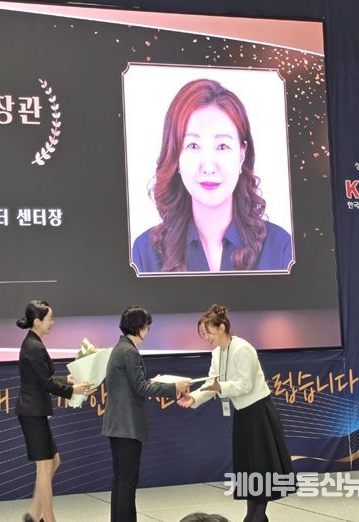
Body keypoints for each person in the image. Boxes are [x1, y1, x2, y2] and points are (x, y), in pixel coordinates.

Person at [131, 78, 292, 273]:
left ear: (242, 154)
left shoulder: (281, 248)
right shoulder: (145, 253)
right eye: (193, 145)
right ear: (175, 155)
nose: (208, 167)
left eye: (222, 146)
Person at [178, 305, 294, 522]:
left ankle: (254, 517)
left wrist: (220, 387)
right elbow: (212, 383)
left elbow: (245, 385)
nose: (207, 338)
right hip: (243, 415)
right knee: (250, 471)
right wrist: (193, 398)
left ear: (221, 328)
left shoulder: (243, 348)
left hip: (259, 413)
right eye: (204, 334)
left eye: (209, 332)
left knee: (262, 469)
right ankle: (255, 516)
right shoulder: (217, 353)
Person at [102, 306, 190, 522]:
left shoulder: (121, 348)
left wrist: (157, 383)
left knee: (121, 481)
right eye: (147, 327)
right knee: (127, 482)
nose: (148, 331)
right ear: (139, 327)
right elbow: (141, 387)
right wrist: (174, 387)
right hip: (127, 426)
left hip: (118, 425)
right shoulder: (129, 351)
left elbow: (135, 384)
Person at [15, 300, 92, 522]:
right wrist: (73, 389)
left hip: (35, 410)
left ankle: (33, 514)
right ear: (37, 321)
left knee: (53, 461)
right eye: (49, 318)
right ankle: (47, 519)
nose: (53, 322)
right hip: (32, 411)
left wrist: (67, 380)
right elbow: (46, 383)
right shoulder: (34, 346)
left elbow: (43, 378)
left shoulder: (34, 343)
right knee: (45, 466)